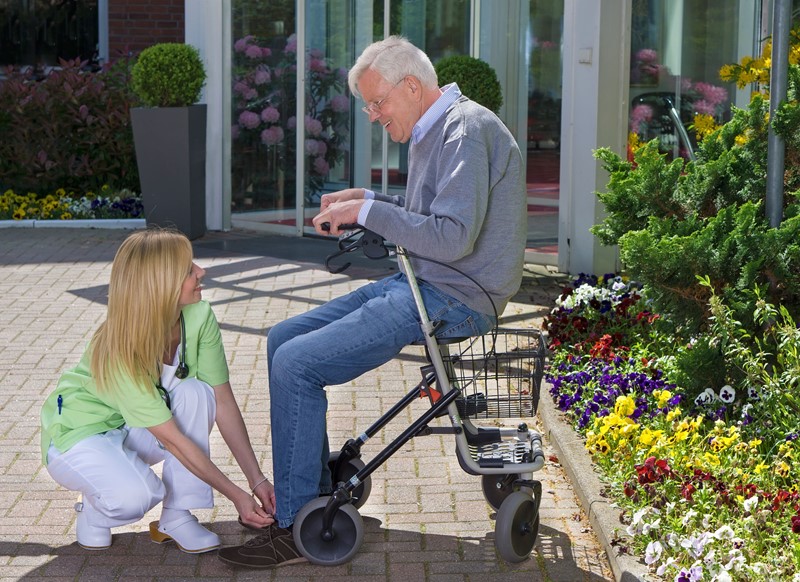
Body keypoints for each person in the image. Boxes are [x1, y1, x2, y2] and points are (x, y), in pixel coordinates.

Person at [218, 35, 526, 569]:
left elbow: (451, 237)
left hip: (455, 296)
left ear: (411, 86)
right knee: (281, 339)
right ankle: (310, 493)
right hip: (424, 283)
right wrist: (366, 200)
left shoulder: (465, 131)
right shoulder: (439, 129)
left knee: (297, 364)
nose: (371, 113)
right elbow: (424, 220)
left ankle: (293, 525)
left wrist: (368, 213)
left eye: (377, 101)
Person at [40, 228, 275, 554]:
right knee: (136, 497)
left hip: (133, 427)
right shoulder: (118, 347)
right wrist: (237, 496)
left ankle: (176, 516)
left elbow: (222, 400)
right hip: (78, 436)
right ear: (159, 284)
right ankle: (95, 508)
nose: (201, 272)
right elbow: (173, 442)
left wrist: (257, 480)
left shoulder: (198, 315)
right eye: (188, 270)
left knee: (197, 393)